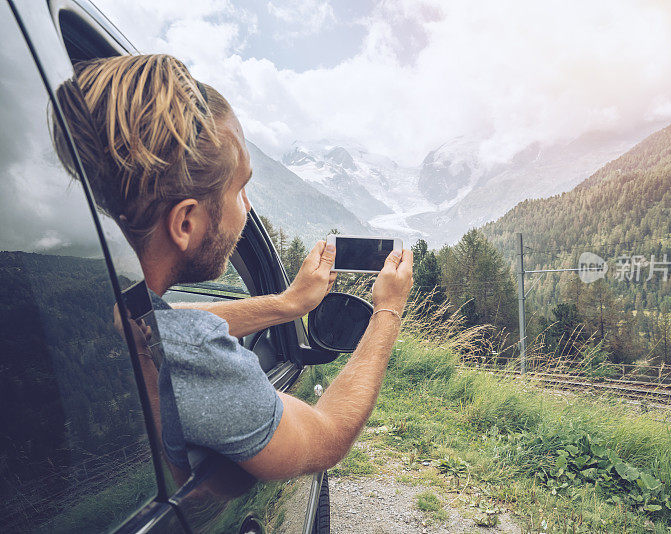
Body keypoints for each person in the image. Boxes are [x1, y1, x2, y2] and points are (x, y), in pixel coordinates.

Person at [54, 54, 413, 480]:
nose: (248, 207)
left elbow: (164, 323)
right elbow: (327, 434)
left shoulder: (108, 306)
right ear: (185, 222)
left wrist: (289, 303)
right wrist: (388, 311)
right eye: (240, 188)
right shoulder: (198, 359)